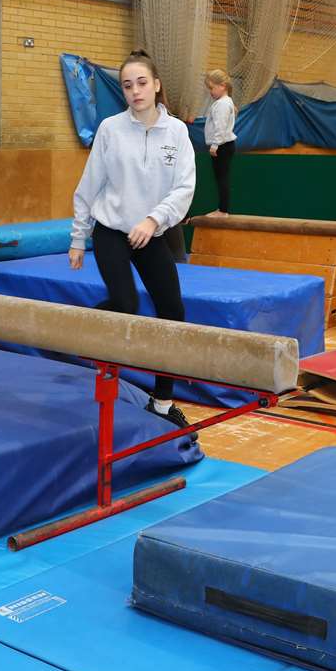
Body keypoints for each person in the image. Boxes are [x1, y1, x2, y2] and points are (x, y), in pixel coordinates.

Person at [69, 50, 196, 427]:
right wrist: (78, 238)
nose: (135, 91)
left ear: (156, 85)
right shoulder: (110, 129)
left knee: (173, 312)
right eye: (127, 85)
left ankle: (161, 402)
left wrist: (154, 219)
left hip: (151, 232)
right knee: (124, 303)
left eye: (142, 83)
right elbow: (88, 186)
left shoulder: (177, 132)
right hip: (111, 230)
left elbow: (185, 188)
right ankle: (81, 329)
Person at [202, 69, 237, 216]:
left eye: (212, 88)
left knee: (222, 178)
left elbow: (220, 127)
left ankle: (223, 210)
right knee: (220, 178)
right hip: (224, 145)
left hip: (222, 146)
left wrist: (215, 145)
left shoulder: (222, 104)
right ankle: (222, 209)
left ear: (222, 86)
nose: (210, 92)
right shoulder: (224, 103)